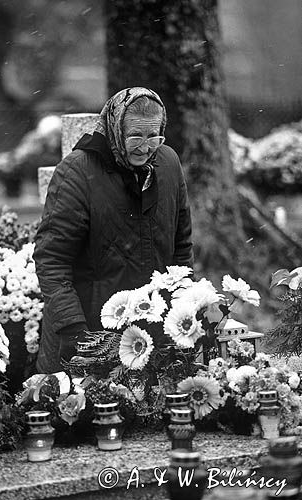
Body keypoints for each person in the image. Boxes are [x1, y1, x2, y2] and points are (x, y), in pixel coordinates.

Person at [33, 87, 193, 373]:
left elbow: (181, 247)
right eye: (135, 136)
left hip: (153, 333)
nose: (145, 147)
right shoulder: (78, 172)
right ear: (116, 128)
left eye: (153, 136)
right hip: (89, 334)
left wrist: (185, 307)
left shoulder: (168, 164)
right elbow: (52, 260)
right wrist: (74, 330)